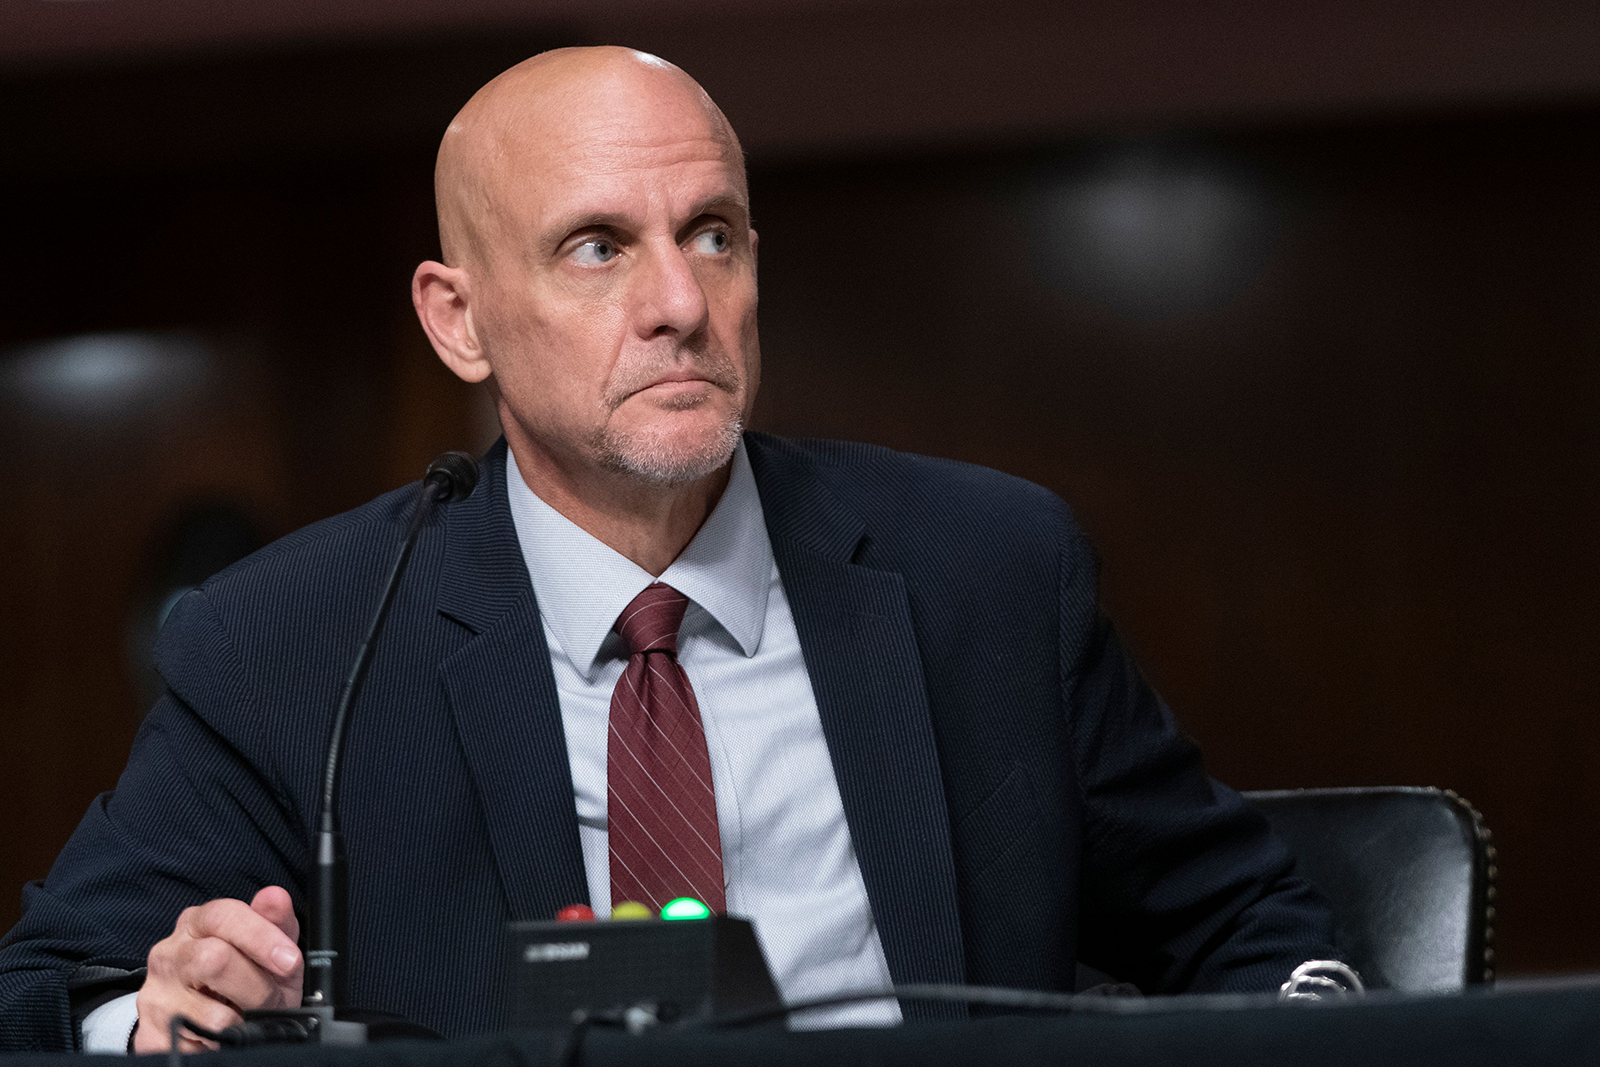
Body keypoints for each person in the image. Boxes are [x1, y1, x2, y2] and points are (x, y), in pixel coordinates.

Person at [0, 47, 1337, 1054]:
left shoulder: (984, 571)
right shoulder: (297, 642)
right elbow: (45, 990)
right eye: (597, 247)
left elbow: (1249, 931)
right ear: (458, 321)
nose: (681, 305)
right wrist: (158, 1013)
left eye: (712, 234)